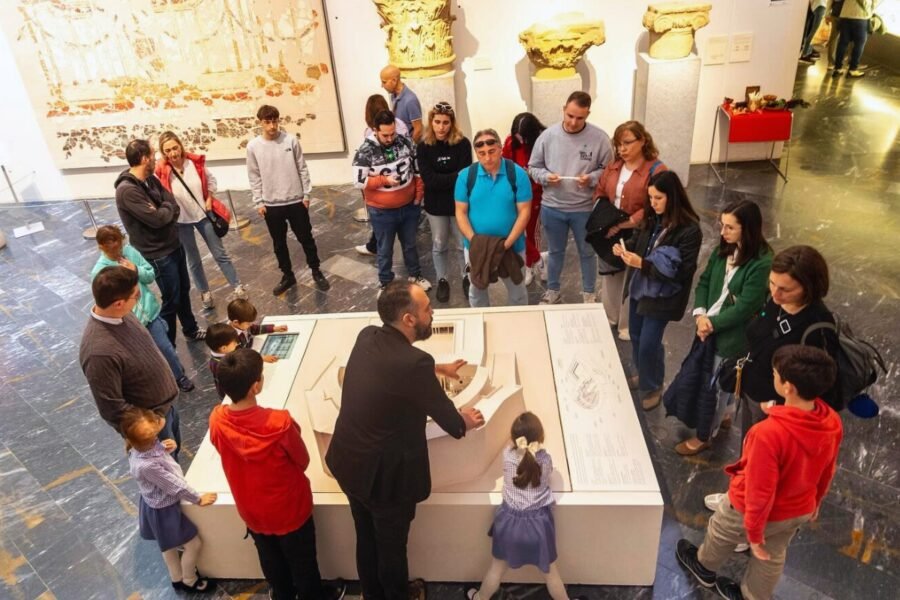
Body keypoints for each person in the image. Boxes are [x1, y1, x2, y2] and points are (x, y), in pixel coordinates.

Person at [325, 281, 485, 600]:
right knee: (391, 550)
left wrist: (437, 368)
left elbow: (394, 367)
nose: (432, 312)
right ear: (409, 320)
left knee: (366, 539)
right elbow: (452, 423)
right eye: (427, 309)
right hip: (385, 482)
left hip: (348, 464)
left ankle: (373, 595)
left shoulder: (368, 336)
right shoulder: (415, 364)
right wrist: (466, 418)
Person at [676, 345, 842, 600]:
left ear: (788, 387)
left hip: (748, 510)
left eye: (775, 374)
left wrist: (753, 534)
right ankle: (752, 594)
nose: (772, 376)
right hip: (799, 508)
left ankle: (704, 568)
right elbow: (828, 468)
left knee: (721, 533)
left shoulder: (767, 434)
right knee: (772, 555)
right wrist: (816, 501)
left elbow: (759, 489)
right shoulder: (830, 420)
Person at [210, 349, 346, 600]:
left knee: (270, 558)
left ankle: (282, 594)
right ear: (255, 387)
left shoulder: (217, 420)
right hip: (289, 509)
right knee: (303, 561)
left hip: (251, 510)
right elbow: (303, 461)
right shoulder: (279, 423)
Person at [664, 201, 773, 456]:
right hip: (708, 327)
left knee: (712, 386)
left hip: (731, 336)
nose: (722, 232)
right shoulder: (722, 250)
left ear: (748, 229)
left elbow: (745, 307)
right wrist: (700, 314)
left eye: (730, 227)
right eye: (722, 225)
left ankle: (705, 436)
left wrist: (710, 324)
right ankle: (723, 416)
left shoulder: (762, 262)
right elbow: (703, 282)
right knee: (713, 380)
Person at [466, 412, 581, 600]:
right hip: (539, 525)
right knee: (551, 574)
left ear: (513, 437)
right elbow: (548, 473)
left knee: (496, 569)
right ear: (540, 437)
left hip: (509, 523)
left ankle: (479, 598)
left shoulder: (507, 456)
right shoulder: (545, 459)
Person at [613, 170, 702, 411]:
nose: (653, 204)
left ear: (672, 197)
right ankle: (644, 374)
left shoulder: (690, 230)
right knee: (637, 335)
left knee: (649, 342)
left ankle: (652, 385)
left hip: (663, 295)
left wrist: (641, 263)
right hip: (641, 287)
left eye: (658, 198)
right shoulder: (652, 218)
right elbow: (640, 242)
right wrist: (624, 248)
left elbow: (683, 271)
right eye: (650, 198)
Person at [79, 266, 183, 458]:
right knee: (167, 476)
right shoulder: (98, 353)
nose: (139, 298)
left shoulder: (122, 312)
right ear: (119, 303)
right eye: (137, 295)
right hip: (153, 427)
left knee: (175, 460)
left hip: (167, 408)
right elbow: (112, 408)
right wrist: (151, 427)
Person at [115, 139, 205, 345]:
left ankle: (190, 329)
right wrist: (165, 211)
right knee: (171, 298)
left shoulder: (150, 179)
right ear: (145, 158)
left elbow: (171, 203)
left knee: (183, 290)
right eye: (154, 155)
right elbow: (157, 220)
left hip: (173, 244)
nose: (157, 159)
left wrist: (164, 210)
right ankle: (167, 344)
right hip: (158, 253)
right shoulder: (127, 190)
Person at [528, 91, 613, 305]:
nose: (574, 122)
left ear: (588, 115)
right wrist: (546, 177)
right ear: (563, 109)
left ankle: (589, 294)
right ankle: (553, 291)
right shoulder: (547, 136)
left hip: (584, 208)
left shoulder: (600, 138)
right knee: (555, 251)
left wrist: (592, 178)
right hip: (552, 207)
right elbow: (533, 167)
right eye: (570, 116)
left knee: (587, 252)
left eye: (580, 118)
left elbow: (609, 170)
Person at [121, 407, 217, 593]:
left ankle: (176, 578)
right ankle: (189, 579)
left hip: (153, 506)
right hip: (164, 510)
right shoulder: (148, 466)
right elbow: (174, 485)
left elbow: (153, 453)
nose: (160, 418)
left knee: (167, 546)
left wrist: (163, 446)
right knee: (193, 544)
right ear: (150, 438)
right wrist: (198, 498)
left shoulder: (136, 450)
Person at [91, 225, 194, 392]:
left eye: (119, 246)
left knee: (166, 348)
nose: (117, 252)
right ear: (101, 247)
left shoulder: (130, 252)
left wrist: (135, 270)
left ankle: (178, 376)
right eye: (112, 250)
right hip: (130, 322)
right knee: (143, 357)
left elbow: (150, 275)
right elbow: (107, 303)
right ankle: (158, 383)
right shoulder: (99, 272)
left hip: (150, 314)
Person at [155, 130, 247, 309]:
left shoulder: (194, 164)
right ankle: (205, 292)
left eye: (175, 148)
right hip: (181, 221)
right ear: (163, 153)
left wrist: (209, 198)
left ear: (181, 147)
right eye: (168, 151)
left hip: (202, 215)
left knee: (219, 253)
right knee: (193, 259)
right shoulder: (162, 171)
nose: (173, 153)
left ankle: (237, 286)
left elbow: (211, 180)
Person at [594, 121, 667, 340]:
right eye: (618, 144)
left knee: (632, 276)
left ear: (643, 140)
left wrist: (625, 223)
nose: (622, 149)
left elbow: (653, 206)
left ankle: (627, 323)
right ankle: (610, 315)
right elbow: (600, 191)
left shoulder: (657, 169)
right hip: (611, 227)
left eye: (627, 143)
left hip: (639, 230)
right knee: (611, 274)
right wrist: (604, 217)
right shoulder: (614, 166)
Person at [247, 104, 330, 296]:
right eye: (268, 122)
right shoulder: (253, 147)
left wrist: (306, 194)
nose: (272, 126)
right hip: (271, 204)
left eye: (275, 121)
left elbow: (302, 168)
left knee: (306, 238)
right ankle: (287, 275)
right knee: (279, 243)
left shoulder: (290, 140)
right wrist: (259, 201)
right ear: (261, 123)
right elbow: (254, 175)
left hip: (295, 201)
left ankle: (316, 270)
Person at [351, 110, 431, 294]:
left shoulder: (406, 142)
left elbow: (417, 170)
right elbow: (358, 181)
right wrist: (383, 181)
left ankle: (415, 275)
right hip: (382, 211)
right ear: (375, 130)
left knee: (410, 244)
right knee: (384, 249)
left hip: (409, 206)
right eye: (385, 135)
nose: (389, 138)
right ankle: (386, 282)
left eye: (392, 133)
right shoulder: (365, 151)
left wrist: (418, 195)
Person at [455, 129, 532, 307]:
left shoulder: (517, 174)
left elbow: (525, 212)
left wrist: (506, 243)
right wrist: (475, 241)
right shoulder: (466, 176)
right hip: (476, 247)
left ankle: (517, 325)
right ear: (476, 153)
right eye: (481, 154)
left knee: (517, 290)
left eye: (492, 152)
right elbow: (460, 212)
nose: (487, 158)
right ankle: (479, 322)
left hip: (512, 246)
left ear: (500, 149)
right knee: (477, 290)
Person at [418, 101, 472, 302]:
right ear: (431, 122)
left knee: (461, 244)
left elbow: (464, 176)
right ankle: (442, 279)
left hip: (459, 203)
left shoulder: (463, 144)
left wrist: (442, 179)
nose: (441, 127)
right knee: (439, 244)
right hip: (435, 206)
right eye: (437, 122)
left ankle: (466, 277)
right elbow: (428, 179)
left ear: (452, 124)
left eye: (445, 123)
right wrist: (452, 177)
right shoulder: (423, 147)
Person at [355, 94, 411, 258]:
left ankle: (376, 249)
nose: (389, 138)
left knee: (385, 241)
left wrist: (381, 179)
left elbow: (365, 174)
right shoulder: (400, 124)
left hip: (387, 196)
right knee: (403, 241)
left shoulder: (373, 135)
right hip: (400, 190)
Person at [502, 113, 547, 287]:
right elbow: (505, 164)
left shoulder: (543, 142)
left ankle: (530, 266)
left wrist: (533, 174)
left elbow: (547, 170)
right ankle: (537, 259)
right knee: (515, 230)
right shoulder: (509, 142)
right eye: (517, 136)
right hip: (514, 194)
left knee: (532, 230)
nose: (520, 140)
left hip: (535, 193)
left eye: (524, 137)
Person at [380, 65, 422, 142]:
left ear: (394, 80)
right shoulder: (393, 95)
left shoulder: (410, 100)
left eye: (384, 82)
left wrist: (409, 148)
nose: (382, 86)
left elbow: (418, 129)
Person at [833, 0, 875, 77]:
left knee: (843, 43)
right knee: (859, 44)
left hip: (845, 15)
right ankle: (853, 69)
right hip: (861, 16)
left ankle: (837, 68)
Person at [205, 323, 239, 400]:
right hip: (229, 395)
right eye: (234, 343)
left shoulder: (222, 353)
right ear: (223, 348)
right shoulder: (220, 365)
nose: (237, 344)